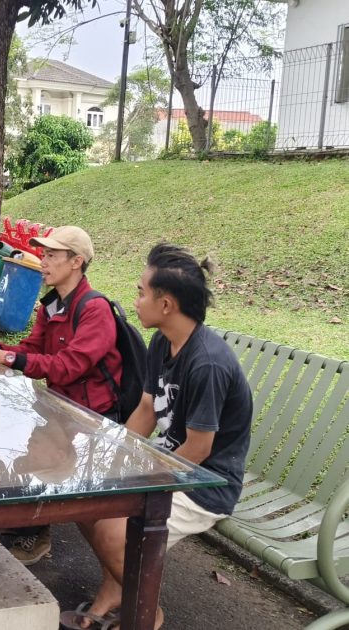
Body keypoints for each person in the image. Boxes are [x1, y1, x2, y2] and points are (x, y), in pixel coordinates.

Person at [60, 243, 253, 630]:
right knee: (83, 499)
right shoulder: (164, 341)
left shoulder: (207, 364)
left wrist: (142, 483)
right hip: (169, 461)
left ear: (166, 305)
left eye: (141, 293)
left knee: (112, 533)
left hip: (205, 482)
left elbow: (199, 449)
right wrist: (113, 458)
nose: (135, 301)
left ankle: (147, 611)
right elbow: (147, 408)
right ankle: (114, 591)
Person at [0, 225, 122, 565]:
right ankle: (25, 519)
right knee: (21, 440)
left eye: (51, 255)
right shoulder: (52, 305)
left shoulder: (95, 309)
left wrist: (6, 358)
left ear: (76, 261)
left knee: (38, 450)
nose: (42, 261)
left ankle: (39, 530)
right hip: (58, 405)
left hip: (91, 418)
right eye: (43, 254)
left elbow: (68, 367)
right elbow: (33, 349)